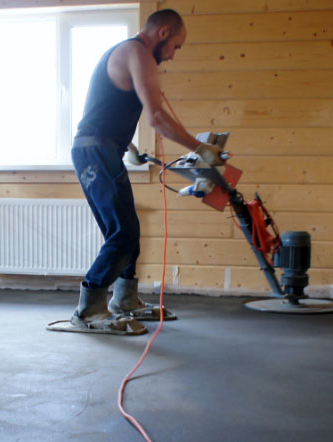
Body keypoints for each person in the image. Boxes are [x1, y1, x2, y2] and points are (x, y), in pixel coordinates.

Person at [51, 9, 224, 335]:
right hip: (95, 151)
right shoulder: (138, 52)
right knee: (123, 233)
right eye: (176, 46)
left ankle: (124, 299)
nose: (172, 55)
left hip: (104, 149)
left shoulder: (131, 53)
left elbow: (109, 106)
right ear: (164, 32)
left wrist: (128, 148)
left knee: (127, 230)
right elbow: (156, 117)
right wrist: (199, 149)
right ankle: (88, 308)